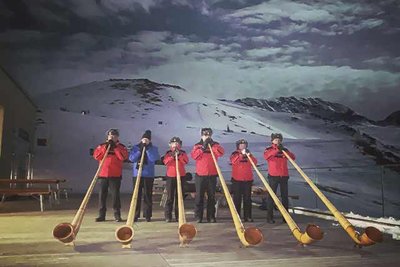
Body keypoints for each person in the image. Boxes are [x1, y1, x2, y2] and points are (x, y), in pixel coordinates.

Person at [93, 129, 129, 222]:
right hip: (103, 174)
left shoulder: (121, 147)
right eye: (110, 136)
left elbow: (123, 157)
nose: (112, 137)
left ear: (117, 137)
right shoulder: (101, 146)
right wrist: (106, 147)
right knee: (102, 196)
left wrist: (115, 148)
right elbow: (97, 156)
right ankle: (102, 215)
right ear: (107, 137)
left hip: (115, 175)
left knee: (115, 196)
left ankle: (117, 215)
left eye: (114, 136)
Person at [191, 128, 224, 223]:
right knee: (199, 197)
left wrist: (212, 145)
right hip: (200, 175)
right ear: (201, 135)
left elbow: (221, 153)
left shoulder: (215, 145)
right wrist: (203, 148)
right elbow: (194, 156)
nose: (207, 136)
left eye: (208, 135)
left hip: (212, 175)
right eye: (205, 135)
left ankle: (211, 216)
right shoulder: (197, 145)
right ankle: (198, 217)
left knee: (211, 197)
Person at [263, 133, 295, 223]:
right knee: (272, 197)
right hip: (273, 176)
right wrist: (277, 149)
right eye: (276, 140)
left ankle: (286, 217)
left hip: (284, 176)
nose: (278, 141)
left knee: (285, 197)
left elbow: (293, 157)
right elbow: (266, 156)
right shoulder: (268, 149)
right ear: (272, 141)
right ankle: (270, 217)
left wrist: (285, 151)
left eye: (279, 140)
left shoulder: (284, 150)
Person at [129, 130, 160, 222]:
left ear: (150, 140)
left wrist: (147, 149)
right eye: (144, 139)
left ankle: (147, 215)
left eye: (147, 139)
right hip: (137, 174)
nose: (145, 141)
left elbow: (153, 158)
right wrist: (140, 150)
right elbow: (132, 158)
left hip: (148, 175)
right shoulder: (135, 147)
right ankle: (135, 214)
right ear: (141, 139)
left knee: (147, 195)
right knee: (136, 196)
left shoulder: (153, 148)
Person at [162, 137, 189, 222]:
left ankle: (179, 215)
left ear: (180, 145)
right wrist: (172, 156)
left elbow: (185, 161)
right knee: (170, 197)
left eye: (177, 143)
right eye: (174, 143)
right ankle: (168, 216)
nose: (175, 145)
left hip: (181, 176)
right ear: (170, 145)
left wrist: (179, 155)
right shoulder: (168, 153)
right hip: (170, 176)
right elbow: (165, 162)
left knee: (179, 197)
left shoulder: (183, 153)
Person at [230, 139, 257, 222]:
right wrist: (241, 155)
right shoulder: (234, 154)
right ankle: (236, 216)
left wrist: (249, 156)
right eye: (241, 145)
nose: (243, 146)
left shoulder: (249, 154)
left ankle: (247, 216)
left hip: (247, 179)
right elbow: (233, 161)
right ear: (238, 146)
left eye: (244, 145)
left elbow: (254, 163)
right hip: (237, 179)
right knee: (237, 198)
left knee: (247, 199)